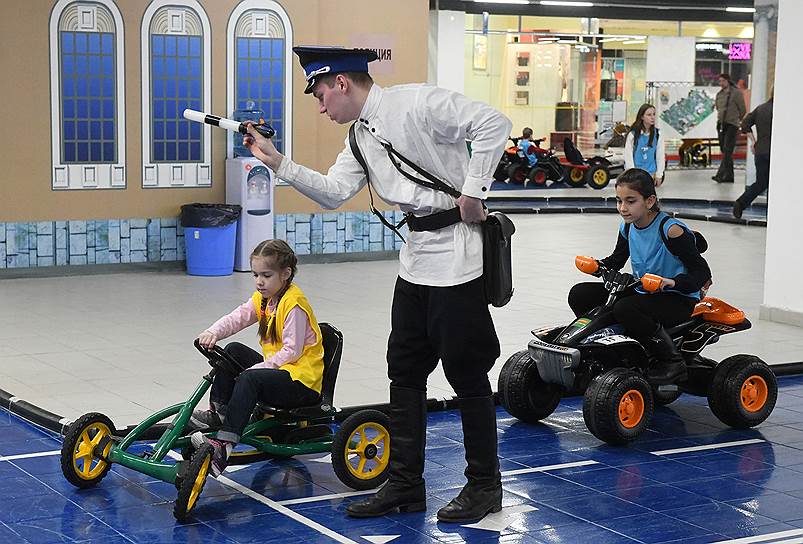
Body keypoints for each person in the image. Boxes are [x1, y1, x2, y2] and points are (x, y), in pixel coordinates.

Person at [243, 46, 512, 523]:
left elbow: (493, 123)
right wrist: (278, 162)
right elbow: (331, 192)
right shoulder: (360, 138)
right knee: (403, 373)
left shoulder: (417, 103)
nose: (321, 107)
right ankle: (405, 484)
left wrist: (474, 191)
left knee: (467, 375)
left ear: (342, 83)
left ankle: (484, 487)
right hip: (415, 263)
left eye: (322, 94)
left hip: (459, 259)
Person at [190, 239, 324, 476]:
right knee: (232, 350)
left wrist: (257, 369)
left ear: (286, 274)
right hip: (282, 372)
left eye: (266, 275)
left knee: (249, 379)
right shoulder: (264, 299)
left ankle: (225, 446)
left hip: (301, 382)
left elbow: (291, 352)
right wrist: (213, 332)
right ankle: (219, 412)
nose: (259, 282)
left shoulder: (294, 304)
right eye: (255, 275)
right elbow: (237, 317)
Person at [568, 168, 711, 384]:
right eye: (619, 201)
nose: (623, 208)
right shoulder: (628, 227)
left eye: (630, 201)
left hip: (678, 298)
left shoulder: (671, 231)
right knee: (580, 294)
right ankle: (609, 347)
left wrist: (670, 282)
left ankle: (672, 361)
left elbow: (702, 272)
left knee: (625, 307)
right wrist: (598, 266)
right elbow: (616, 259)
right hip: (646, 290)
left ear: (650, 201)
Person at [733, 92, 773, 219]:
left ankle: (741, 203)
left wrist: (754, 141)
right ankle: (772, 213)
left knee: (761, 183)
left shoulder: (761, 108)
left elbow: (744, 124)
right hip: (775, 152)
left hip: (760, 150)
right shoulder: (782, 110)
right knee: (774, 183)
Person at [713, 73, 746, 183]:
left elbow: (742, 109)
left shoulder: (736, 93)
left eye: (722, 81)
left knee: (727, 150)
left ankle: (720, 174)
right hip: (722, 124)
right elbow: (718, 108)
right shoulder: (719, 94)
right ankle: (729, 176)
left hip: (732, 124)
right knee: (725, 151)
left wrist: (738, 120)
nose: (721, 83)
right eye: (719, 81)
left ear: (727, 81)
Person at [624, 104, 666, 186]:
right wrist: (632, 175)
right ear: (642, 117)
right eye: (649, 115)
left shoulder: (658, 134)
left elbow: (660, 155)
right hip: (636, 176)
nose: (652, 117)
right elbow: (628, 156)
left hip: (651, 175)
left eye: (654, 114)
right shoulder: (633, 135)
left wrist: (659, 174)